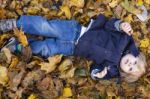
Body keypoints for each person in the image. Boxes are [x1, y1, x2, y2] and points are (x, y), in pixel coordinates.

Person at [0, 14, 146, 83]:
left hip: (71, 49)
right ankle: (15, 23)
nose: (130, 64)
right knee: (45, 26)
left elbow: (94, 68)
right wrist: (120, 25)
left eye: (131, 69)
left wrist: (97, 74)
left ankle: (17, 46)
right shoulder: (124, 39)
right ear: (134, 54)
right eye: (134, 62)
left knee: (45, 49)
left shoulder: (112, 70)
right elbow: (109, 24)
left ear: (125, 73)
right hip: (75, 31)